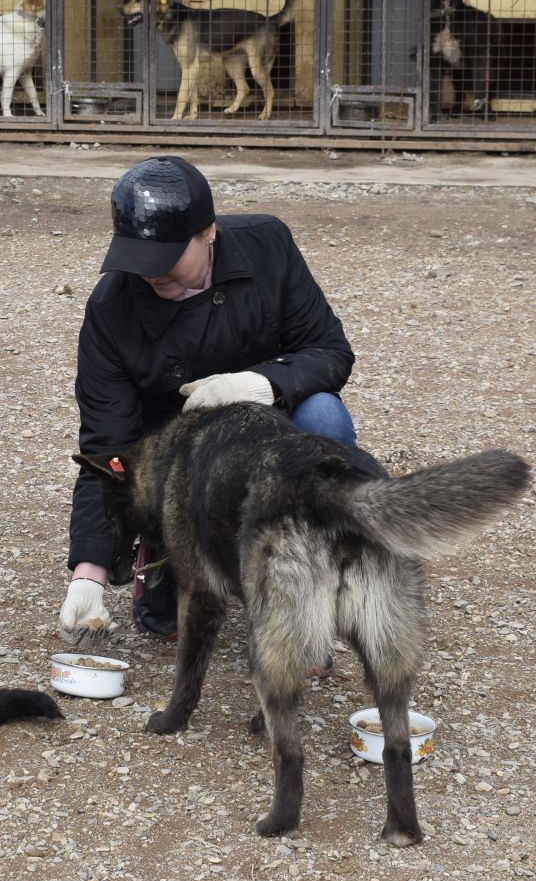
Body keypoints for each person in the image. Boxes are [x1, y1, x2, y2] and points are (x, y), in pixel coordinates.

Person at [60, 155, 357, 639]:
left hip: (270, 425)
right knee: (167, 622)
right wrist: (87, 574)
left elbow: (330, 351)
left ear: (209, 232)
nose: (150, 273)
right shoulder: (110, 310)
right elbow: (106, 448)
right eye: (137, 256)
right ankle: (161, 556)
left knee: (325, 417)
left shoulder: (268, 244)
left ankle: (313, 586)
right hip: (175, 456)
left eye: (168, 257)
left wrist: (256, 385)